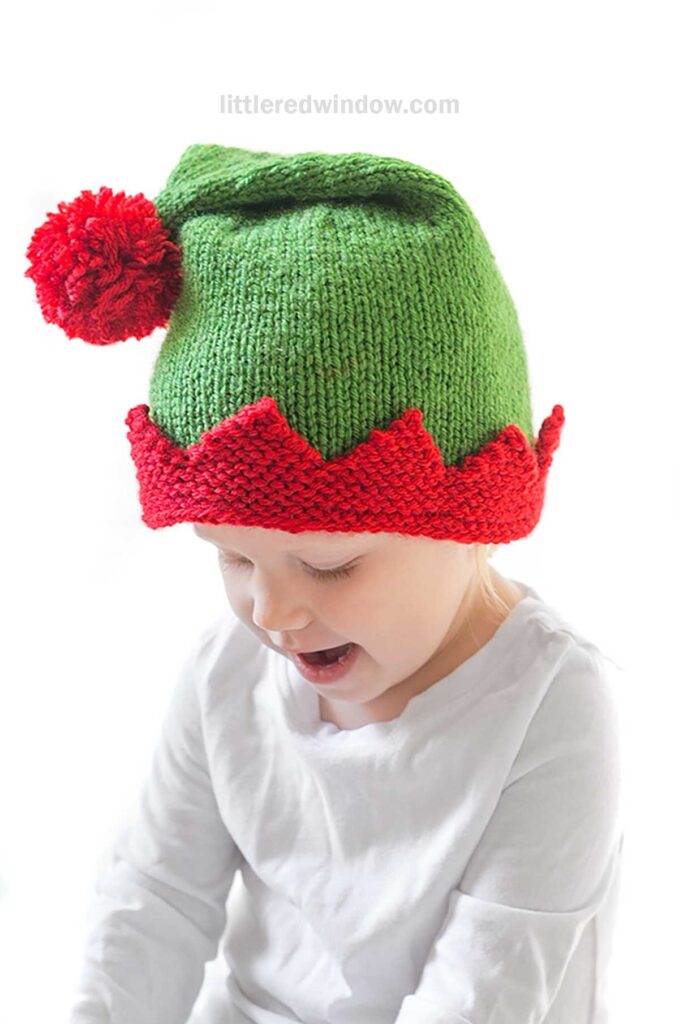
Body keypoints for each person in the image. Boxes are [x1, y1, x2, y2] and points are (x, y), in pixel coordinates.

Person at [25, 143, 624, 1024]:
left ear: (469, 527)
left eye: (331, 564)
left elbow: (485, 991)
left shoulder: (548, 705)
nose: (271, 612)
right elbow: (154, 899)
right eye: (231, 557)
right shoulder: (224, 671)